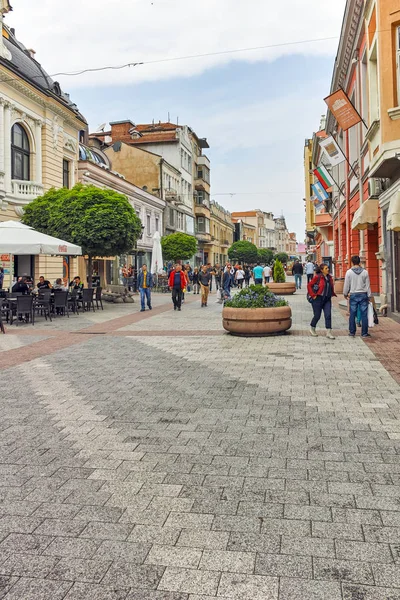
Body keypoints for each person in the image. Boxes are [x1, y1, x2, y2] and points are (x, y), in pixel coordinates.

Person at [343, 255, 372, 338]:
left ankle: (352, 332)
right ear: (359, 262)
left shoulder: (349, 272)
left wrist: (345, 293)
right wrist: (369, 296)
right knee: (364, 314)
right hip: (363, 294)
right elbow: (368, 285)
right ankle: (364, 333)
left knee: (352, 313)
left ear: (352, 262)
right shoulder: (365, 272)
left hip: (353, 294)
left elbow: (346, 285)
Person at [308, 264, 336, 339]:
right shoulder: (317, 277)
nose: (328, 269)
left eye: (328, 268)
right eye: (326, 268)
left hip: (327, 299)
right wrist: (313, 295)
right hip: (318, 299)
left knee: (328, 315)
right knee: (317, 315)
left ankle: (329, 332)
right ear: (321, 270)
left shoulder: (329, 277)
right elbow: (309, 285)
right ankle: (312, 328)